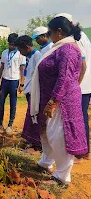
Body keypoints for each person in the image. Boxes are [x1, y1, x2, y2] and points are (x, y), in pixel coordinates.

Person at [30, 15, 88, 186]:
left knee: (59, 136)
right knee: (47, 132)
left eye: (50, 32)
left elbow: (65, 78)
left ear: (59, 32)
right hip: (54, 97)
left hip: (62, 101)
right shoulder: (60, 47)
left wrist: (54, 101)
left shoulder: (68, 49)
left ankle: (62, 176)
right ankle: (46, 162)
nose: (49, 35)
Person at [55, 13, 91, 160]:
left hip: (82, 85)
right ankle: (83, 150)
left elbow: (83, 64)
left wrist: (75, 85)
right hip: (82, 84)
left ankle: (82, 152)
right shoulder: (80, 36)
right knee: (81, 117)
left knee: (79, 118)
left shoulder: (77, 39)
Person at [14, 35, 42, 148]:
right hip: (30, 91)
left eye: (20, 50)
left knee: (35, 117)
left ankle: (37, 143)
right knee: (31, 116)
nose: (20, 53)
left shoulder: (37, 56)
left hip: (35, 92)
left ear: (26, 47)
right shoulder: (30, 57)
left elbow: (40, 76)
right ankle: (31, 140)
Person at [0, 34, 26, 133]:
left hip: (14, 80)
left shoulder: (20, 54)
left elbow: (22, 70)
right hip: (5, 80)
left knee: (13, 103)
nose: (12, 46)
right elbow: (2, 67)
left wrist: (21, 83)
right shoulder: (5, 53)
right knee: (1, 102)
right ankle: (0, 124)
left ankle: (10, 125)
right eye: (10, 44)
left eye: (14, 44)